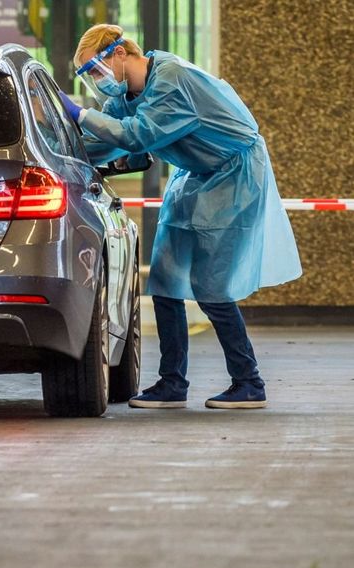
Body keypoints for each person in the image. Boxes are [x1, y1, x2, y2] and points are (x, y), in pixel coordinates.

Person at [57, 24, 302, 410]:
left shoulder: (173, 79)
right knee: (167, 281)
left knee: (211, 286)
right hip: (194, 176)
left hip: (232, 176)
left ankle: (248, 381)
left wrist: (80, 113)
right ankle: (172, 383)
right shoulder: (125, 95)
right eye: (88, 77)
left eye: (95, 70)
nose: (95, 82)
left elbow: (137, 136)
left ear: (120, 54)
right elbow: (108, 140)